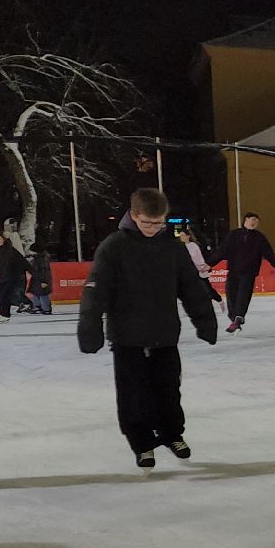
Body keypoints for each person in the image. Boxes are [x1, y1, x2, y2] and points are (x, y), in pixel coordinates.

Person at [78, 188, 219, 469]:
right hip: (127, 337)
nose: (154, 229)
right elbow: (96, 291)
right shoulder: (114, 247)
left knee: (169, 389)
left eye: (160, 223)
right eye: (147, 223)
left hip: (164, 334)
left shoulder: (173, 248)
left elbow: (191, 287)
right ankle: (142, 443)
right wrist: (90, 328)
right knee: (133, 394)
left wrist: (205, 321)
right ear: (133, 215)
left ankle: (172, 434)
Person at [211, 212, 275, 333]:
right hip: (234, 271)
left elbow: (269, 255)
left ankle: (239, 318)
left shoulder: (259, 237)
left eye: (257, 220)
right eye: (253, 219)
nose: (255, 222)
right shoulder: (234, 234)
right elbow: (222, 251)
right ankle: (234, 318)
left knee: (243, 295)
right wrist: (209, 264)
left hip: (249, 273)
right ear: (246, 219)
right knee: (231, 295)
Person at [176, 226, 224, 308]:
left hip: (199, 270)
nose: (181, 237)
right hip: (188, 272)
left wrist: (202, 267)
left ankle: (219, 300)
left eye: (183, 235)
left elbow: (198, 258)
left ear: (188, 236)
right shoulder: (180, 247)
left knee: (207, 289)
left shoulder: (193, 245)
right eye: (180, 236)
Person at [0, 232, 30, 321]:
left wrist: (33, 272)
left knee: (4, 296)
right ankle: (3, 313)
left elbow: (23, 262)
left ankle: (5, 315)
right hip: (1, 277)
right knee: (0, 296)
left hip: (11, 276)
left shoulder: (11, 250)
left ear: (4, 239)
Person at [27, 240, 54, 314]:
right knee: (36, 293)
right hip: (36, 279)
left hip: (40, 279)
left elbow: (44, 271)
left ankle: (46, 309)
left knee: (43, 294)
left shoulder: (41, 259)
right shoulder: (37, 258)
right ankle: (37, 307)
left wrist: (44, 281)